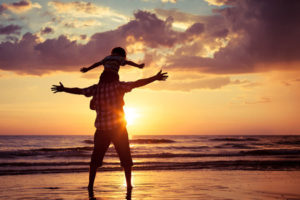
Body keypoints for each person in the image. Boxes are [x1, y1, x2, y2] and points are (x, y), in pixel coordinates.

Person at [51, 70, 168, 199]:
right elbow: (137, 83)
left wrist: (64, 89)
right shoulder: (118, 86)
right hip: (119, 129)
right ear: (115, 78)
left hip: (101, 130)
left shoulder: (96, 89)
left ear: (101, 79)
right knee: (126, 160)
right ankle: (129, 185)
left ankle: (90, 185)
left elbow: (79, 90)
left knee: (95, 160)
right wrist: (155, 77)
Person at [80, 47, 145, 83]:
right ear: (122, 54)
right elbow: (128, 62)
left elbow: (97, 64)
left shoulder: (107, 57)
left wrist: (87, 69)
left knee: (101, 87)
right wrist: (138, 66)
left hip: (104, 74)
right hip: (113, 74)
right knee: (115, 87)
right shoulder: (120, 58)